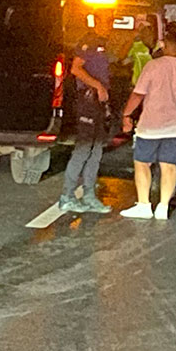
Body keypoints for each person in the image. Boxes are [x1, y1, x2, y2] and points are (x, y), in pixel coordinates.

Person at [119, 23, 176, 220]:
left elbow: (138, 94)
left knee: (142, 164)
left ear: (164, 45)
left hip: (150, 125)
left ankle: (144, 205)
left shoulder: (152, 66)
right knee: (169, 166)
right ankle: (163, 207)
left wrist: (126, 115)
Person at [58, 15, 113, 214]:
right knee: (83, 148)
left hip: (99, 103)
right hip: (87, 101)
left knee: (96, 150)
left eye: (111, 21)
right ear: (97, 22)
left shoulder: (104, 44)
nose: (109, 25)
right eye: (106, 21)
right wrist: (97, 86)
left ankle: (89, 195)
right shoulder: (88, 41)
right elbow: (75, 68)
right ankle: (67, 196)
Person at [122, 23, 155, 88]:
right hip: (142, 81)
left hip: (147, 81)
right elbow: (126, 60)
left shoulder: (159, 47)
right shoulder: (136, 46)